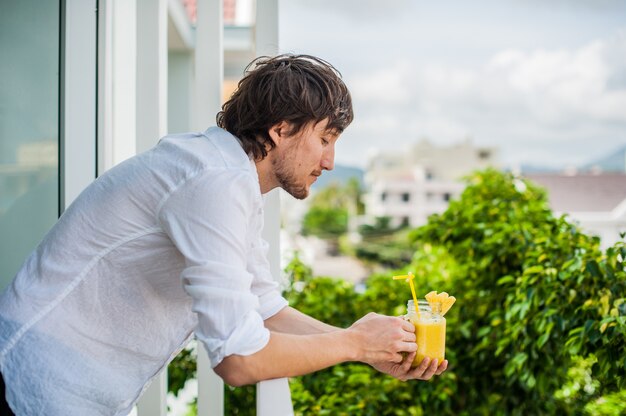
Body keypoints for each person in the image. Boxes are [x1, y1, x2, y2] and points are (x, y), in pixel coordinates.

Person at [0, 54, 447, 415]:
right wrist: (353, 342)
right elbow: (239, 360)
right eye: (325, 139)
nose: (330, 161)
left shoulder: (229, 178)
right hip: (29, 384)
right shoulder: (215, 181)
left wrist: (368, 347)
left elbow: (266, 309)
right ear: (281, 129)